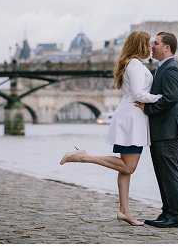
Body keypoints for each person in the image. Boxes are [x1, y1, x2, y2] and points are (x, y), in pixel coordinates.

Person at [59, 31, 162, 226]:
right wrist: (160, 98)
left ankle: (124, 211)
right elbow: (139, 93)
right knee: (128, 166)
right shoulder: (135, 65)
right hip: (133, 119)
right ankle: (82, 156)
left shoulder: (131, 63)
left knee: (124, 170)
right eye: (148, 44)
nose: (150, 48)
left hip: (130, 117)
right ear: (140, 45)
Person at [134, 31, 178, 228]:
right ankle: (167, 212)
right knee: (162, 173)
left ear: (166, 47)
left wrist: (147, 108)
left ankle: (175, 217)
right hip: (161, 130)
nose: (151, 46)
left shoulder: (171, 69)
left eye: (155, 43)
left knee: (169, 174)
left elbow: (171, 98)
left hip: (167, 131)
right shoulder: (163, 68)